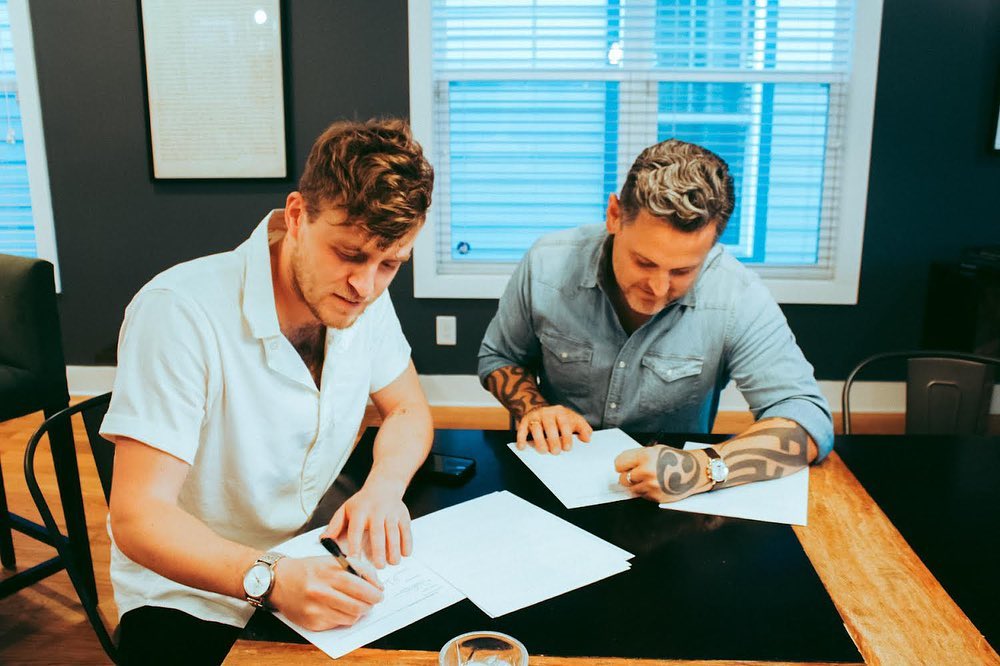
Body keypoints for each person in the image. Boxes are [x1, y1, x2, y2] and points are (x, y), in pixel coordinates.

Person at [101, 119, 435, 664]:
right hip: (190, 589)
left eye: (390, 264)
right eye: (348, 254)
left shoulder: (361, 293)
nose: (366, 285)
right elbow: (138, 518)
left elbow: (407, 409)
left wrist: (384, 487)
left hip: (312, 548)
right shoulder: (179, 311)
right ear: (298, 216)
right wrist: (274, 578)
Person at [478, 138, 833, 505]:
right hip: (550, 482)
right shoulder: (546, 264)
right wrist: (534, 408)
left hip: (674, 501)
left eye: (683, 271)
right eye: (644, 262)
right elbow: (499, 356)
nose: (659, 288)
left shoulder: (736, 295)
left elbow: (807, 418)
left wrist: (701, 468)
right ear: (614, 215)